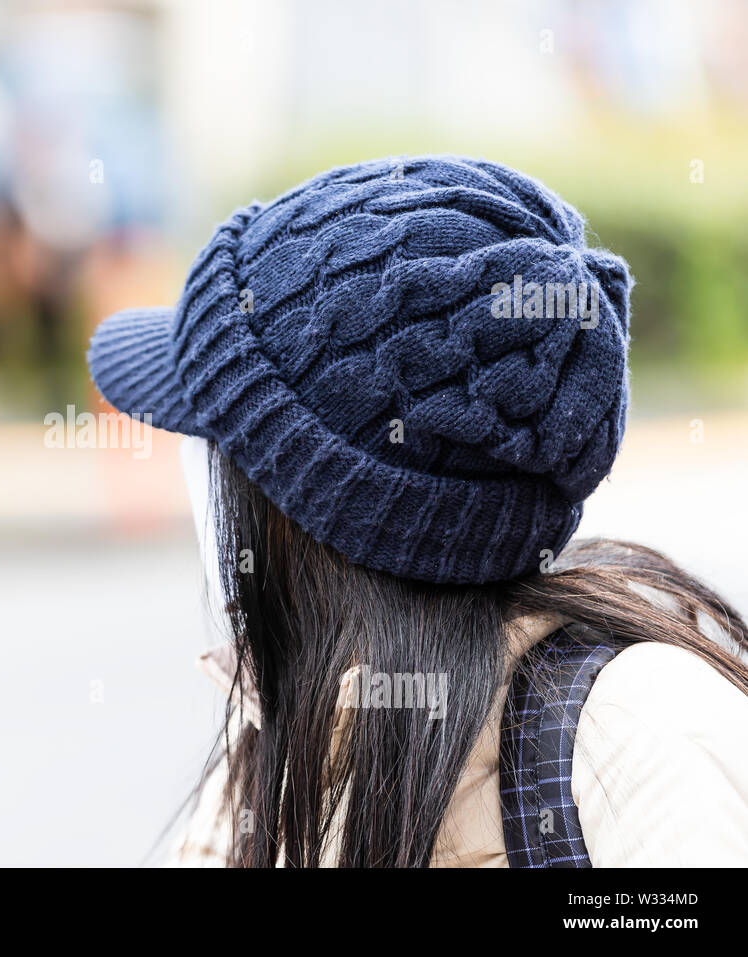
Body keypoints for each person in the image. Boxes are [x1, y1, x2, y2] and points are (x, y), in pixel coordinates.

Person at [86, 156, 748, 867]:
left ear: (310, 513)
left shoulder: (643, 744)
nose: (201, 479)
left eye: (212, 440)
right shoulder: (291, 740)